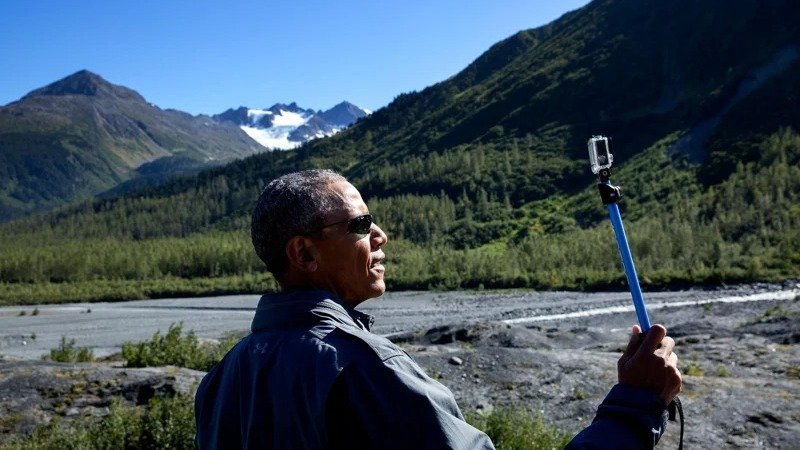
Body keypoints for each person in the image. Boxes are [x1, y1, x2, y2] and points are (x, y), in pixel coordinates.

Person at [194, 169, 682, 449]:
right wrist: (634, 406)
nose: (380, 236)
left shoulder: (223, 379)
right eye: (361, 224)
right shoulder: (365, 368)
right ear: (304, 254)